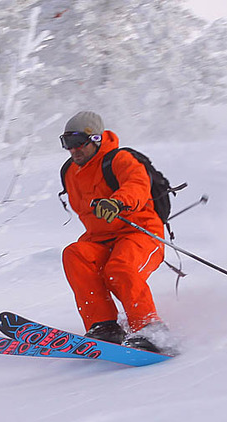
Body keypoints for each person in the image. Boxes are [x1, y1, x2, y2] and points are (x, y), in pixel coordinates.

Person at [59, 111, 170, 352]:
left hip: (139, 233)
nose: (73, 150)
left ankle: (151, 330)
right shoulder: (69, 172)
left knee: (119, 268)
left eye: (78, 143)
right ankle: (104, 326)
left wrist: (118, 202)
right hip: (100, 239)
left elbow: (137, 185)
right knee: (75, 254)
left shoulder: (120, 160)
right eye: (67, 143)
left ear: (96, 140)